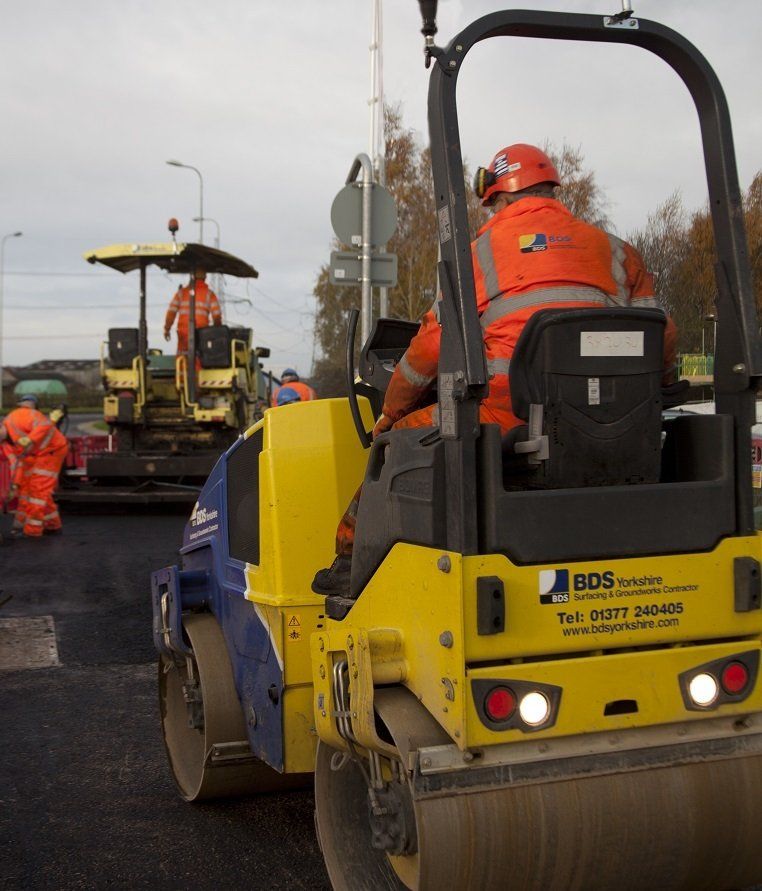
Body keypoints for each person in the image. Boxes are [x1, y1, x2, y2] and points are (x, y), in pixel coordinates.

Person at [312, 142, 677, 597]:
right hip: (618, 426)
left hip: (508, 421)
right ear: (551, 191)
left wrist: (391, 412)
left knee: (392, 447)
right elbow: (661, 337)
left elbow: (428, 350)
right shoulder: (618, 252)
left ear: (498, 199)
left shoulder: (476, 257)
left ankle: (350, 567)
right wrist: (652, 393)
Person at [0, 394, 68, 538]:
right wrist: (15, 485)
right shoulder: (6, 444)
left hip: (52, 451)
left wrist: (30, 438)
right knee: (26, 489)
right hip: (38, 455)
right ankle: (52, 525)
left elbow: (44, 424)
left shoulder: (17, 417)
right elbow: (16, 466)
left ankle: (32, 531)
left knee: (38, 491)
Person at [163, 267, 222, 354]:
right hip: (202, 334)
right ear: (205, 278)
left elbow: (171, 313)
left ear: (192, 277)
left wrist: (167, 329)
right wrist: (217, 332)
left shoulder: (181, 293)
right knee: (199, 357)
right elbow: (216, 316)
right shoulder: (209, 294)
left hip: (183, 334)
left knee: (182, 359)